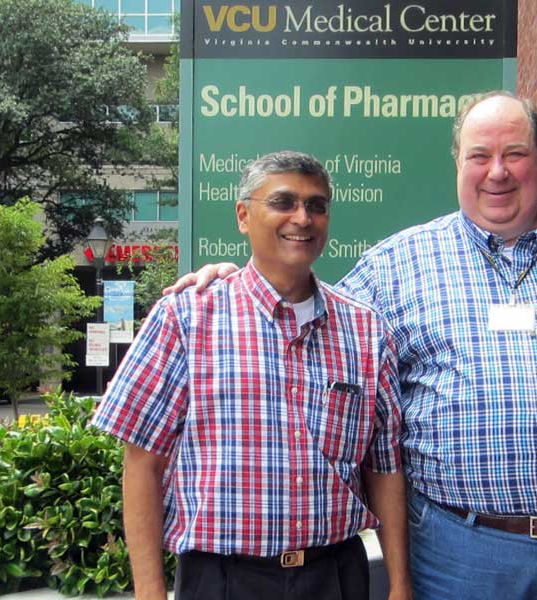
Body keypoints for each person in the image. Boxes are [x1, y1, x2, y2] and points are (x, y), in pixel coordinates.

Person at [166, 92, 537, 599]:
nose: (497, 172)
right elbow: (308, 319)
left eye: (514, 153)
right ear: (458, 164)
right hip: (458, 554)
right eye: (480, 156)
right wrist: (237, 279)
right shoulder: (396, 267)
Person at [93, 151, 412, 600]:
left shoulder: (364, 330)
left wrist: (400, 584)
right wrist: (150, 591)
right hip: (222, 580)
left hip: (336, 576)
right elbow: (142, 463)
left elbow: (383, 468)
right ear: (243, 215)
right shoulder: (186, 318)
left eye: (317, 205)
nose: (302, 218)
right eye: (283, 202)